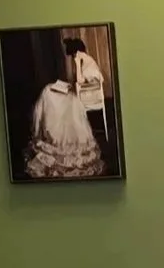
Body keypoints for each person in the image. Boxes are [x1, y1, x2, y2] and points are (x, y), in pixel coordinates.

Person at [25, 33, 109, 178]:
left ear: (76, 52)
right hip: (78, 93)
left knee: (49, 94)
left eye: (72, 55)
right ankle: (48, 126)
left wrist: (77, 63)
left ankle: (52, 134)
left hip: (81, 98)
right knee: (49, 91)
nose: (71, 58)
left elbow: (80, 81)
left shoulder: (86, 62)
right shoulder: (85, 60)